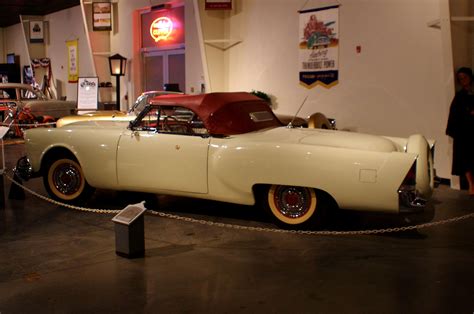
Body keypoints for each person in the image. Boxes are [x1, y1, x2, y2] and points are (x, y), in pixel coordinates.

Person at [446, 67, 474, 195]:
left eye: (465, 77)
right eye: (460, 79)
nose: (463, 80)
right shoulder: (460, 96)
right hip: (465, 132)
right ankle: (471, 185)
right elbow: (455, 114)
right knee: (466, 158)